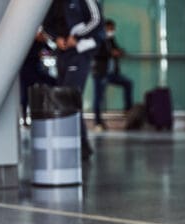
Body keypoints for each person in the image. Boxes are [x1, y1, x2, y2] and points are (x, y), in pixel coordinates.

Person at [42, 0, 104, 160]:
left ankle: (79, 145)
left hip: (80, 52)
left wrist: (76, 36)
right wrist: (56, 39)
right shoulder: (53, 3)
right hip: (62, 54)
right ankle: (77, 145)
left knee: (69, 97)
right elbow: (46, 25)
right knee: (65, 99)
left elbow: (96, 19)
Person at [92, 19, 133, 131]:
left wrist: (119, 52)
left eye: (113, 29)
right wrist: (110, 53)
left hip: (111, 73)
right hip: (100, 73)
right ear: (105, 28)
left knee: (128, 83)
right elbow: (96, 54)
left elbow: (117, 49)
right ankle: (98, 123)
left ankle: (128, 109)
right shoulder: (98, 39)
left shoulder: (110, 39)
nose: (112, 31)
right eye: (110, 29)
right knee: (98, 98)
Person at [19, 31, 57, 118]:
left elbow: (51, 51)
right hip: (26, 72)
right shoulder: (29, 42)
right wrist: (38, 54)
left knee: (53, 82)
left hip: (37, 71)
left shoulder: (42, 43)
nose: (44, 37)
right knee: (25, 96)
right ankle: (24, 117)